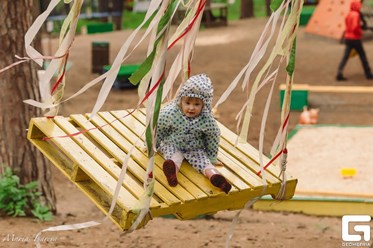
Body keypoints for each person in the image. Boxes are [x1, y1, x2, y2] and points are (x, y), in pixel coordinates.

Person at [156, 74, 232, 194]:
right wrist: (152, 145)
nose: (191, 108)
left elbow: (213, 137)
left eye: (197, 104)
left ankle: (215, 177)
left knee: (204, 163)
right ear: (180, 101)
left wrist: (212, 158)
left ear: (204, 105)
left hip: (195, 148)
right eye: (187, 103)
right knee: (173, 158)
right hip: (174, 144)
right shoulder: (170, 113)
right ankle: (172, 174)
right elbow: (159, 128)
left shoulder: (206, 119)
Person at [336, 0, 373, 81]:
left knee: (345, 57)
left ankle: (339, 72)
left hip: (348, 38)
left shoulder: (349, 14)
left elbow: (347, 25)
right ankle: (368, 73)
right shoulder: (356, 15)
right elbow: (355, 27)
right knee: (363, 56)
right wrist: (360, 32)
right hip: (355, 39)